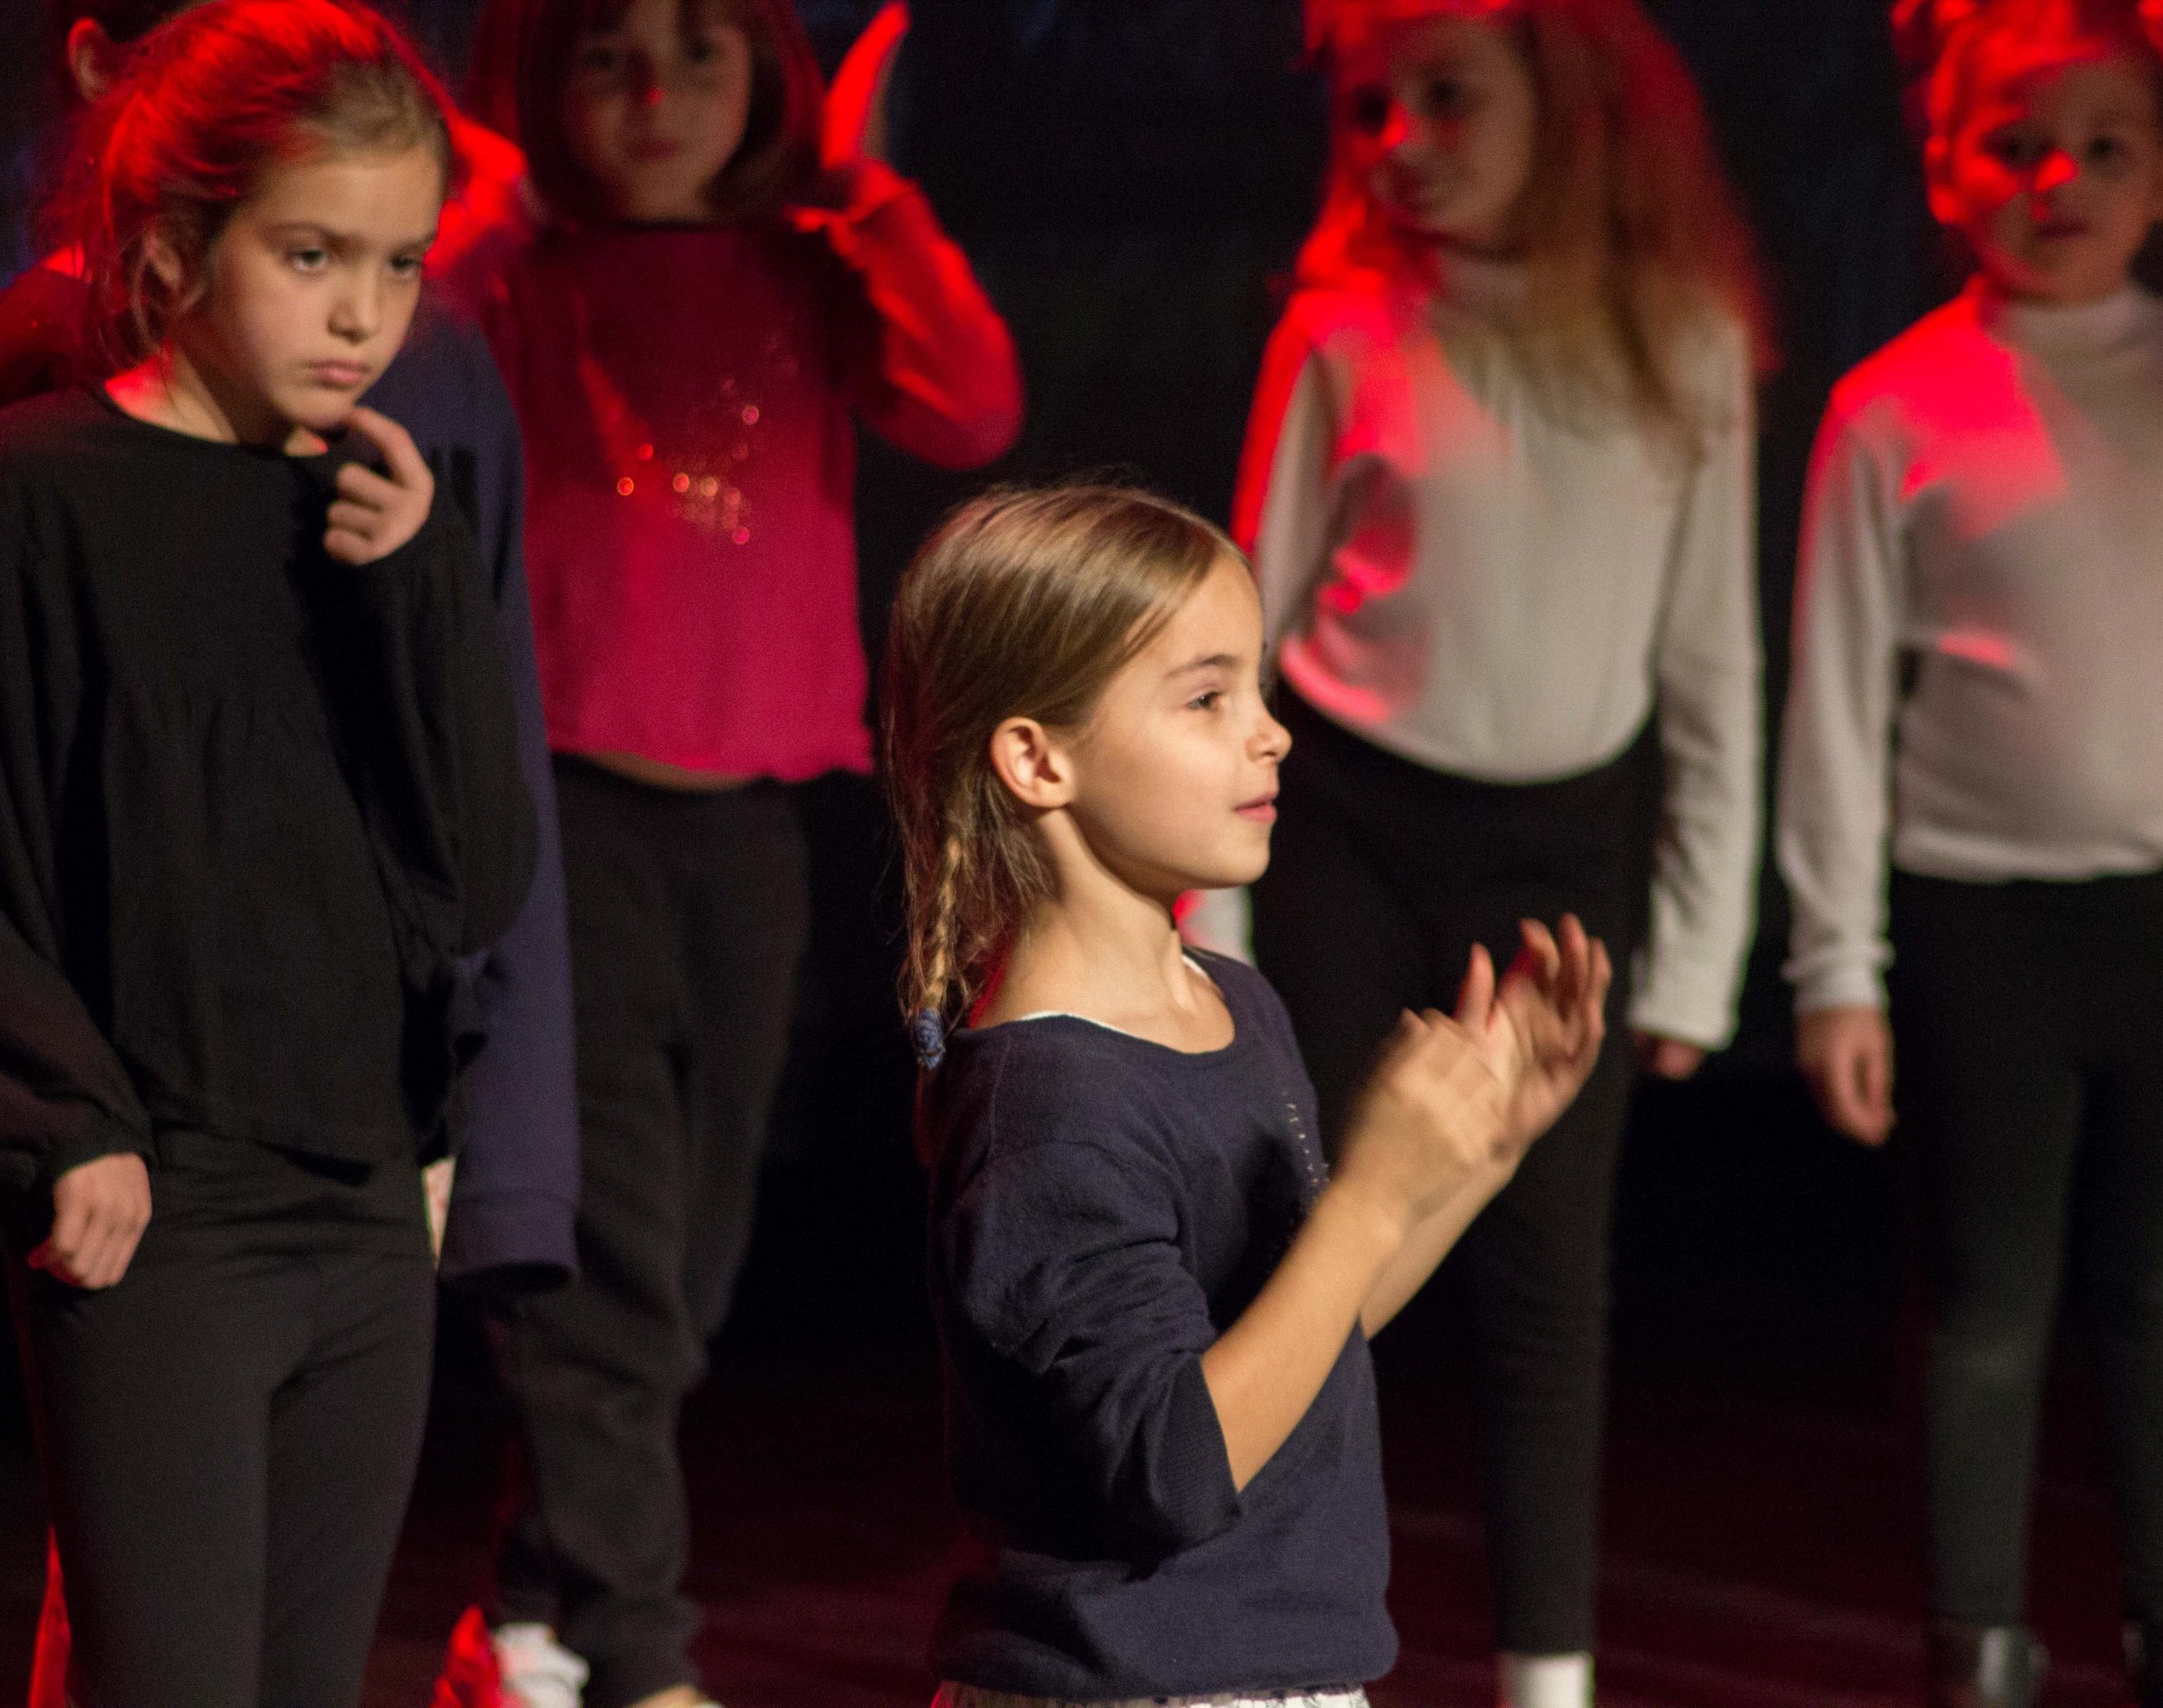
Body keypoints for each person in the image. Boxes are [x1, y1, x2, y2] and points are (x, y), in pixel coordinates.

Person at [1191, 2, 1765, 1700]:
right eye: (1369, 107)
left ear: (1569, 107)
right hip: (1346, 831)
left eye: (1446, 97)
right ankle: (1240, 1642)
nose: (1397, 140)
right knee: (1299, 1250)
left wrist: (1696, 946)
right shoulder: (1343, 325)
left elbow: (1712, 661)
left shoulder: (1684, 333)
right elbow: (1239, 619)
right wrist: (1210, 919)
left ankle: (1546, 1672)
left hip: (1555, 853)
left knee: (1539, 1281)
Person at [450, 3, 1021, 1704]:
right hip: (570, 825)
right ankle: (637, 1649)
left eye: (700, 53)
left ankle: (530, 1608)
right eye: (610, 54)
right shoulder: (519, 276)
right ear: (546, 82)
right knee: (612, 1248)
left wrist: (859, 191)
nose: (653, 94)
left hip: (759, 821)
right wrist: (486, 212)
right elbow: (417, 345)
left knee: (683, 1268)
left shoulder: (804, 264)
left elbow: (969, 406)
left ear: (763, 79)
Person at [0, 0, 539, 1700]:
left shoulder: (368, 515)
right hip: (160, 1209)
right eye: (313, 254)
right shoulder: (41, 498)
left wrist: (418, 597)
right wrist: (64, 1115)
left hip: (366, 1203)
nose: (362, 313)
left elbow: (473, 881)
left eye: (398, 264)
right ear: (177, 240)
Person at [880, 483, 1610, 1707]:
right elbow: (1173, 1462)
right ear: (1037, 756)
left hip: (1279, 1675)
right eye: (1207, 698)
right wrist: (1374, 1189)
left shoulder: (1233, 999)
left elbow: (1302, 1333)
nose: (1268, 732)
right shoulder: (1048, 1101)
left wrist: (1480, 1145)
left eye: (1259, 688)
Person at [1782, 2, 2163, 1701]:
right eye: (2013, 143)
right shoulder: (1892, 408)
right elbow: (1828, 705)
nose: (2056, 177)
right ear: (1942, 167)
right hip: (1977, 921)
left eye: (2100, 145)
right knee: (1982, 1298)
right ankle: (1975, 1639)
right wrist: (1832, 969)